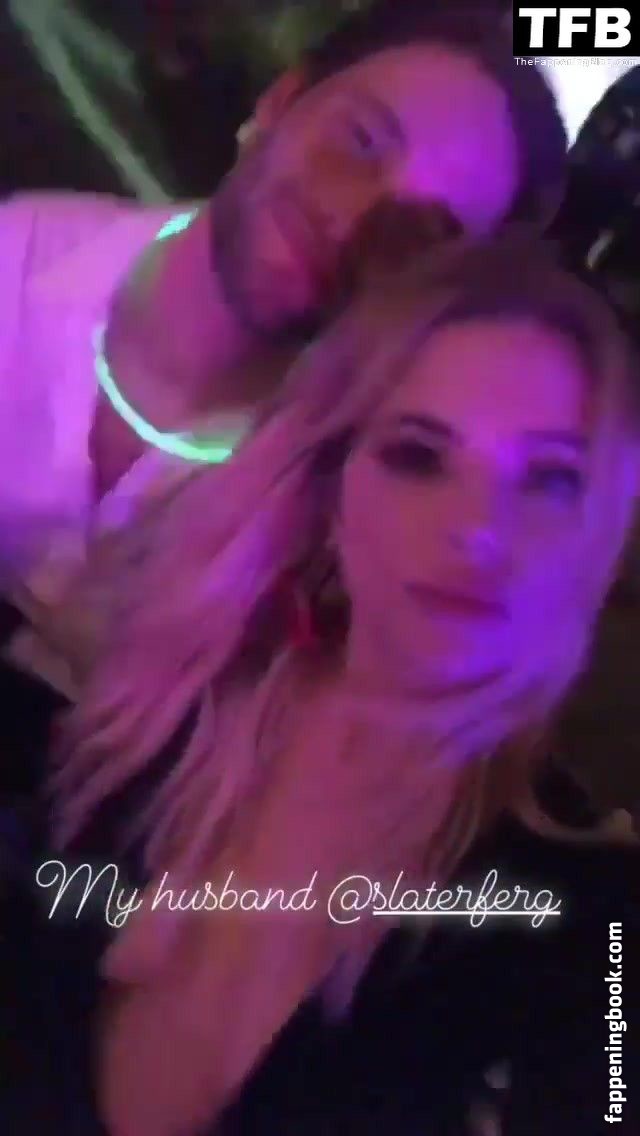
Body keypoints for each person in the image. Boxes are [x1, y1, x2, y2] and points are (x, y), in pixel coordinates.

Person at [4, 232, 639, 1136]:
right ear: (329, 486)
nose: (478, 530)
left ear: (599, 526)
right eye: (419, 455)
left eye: (550, 478)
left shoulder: (599, 922)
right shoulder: (163, 715)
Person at [0, 0, 567, 705]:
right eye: (361, 141)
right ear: (281, 100)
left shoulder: (344, 512)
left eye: (421, 230)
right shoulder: (17, 261)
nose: (351, 217)